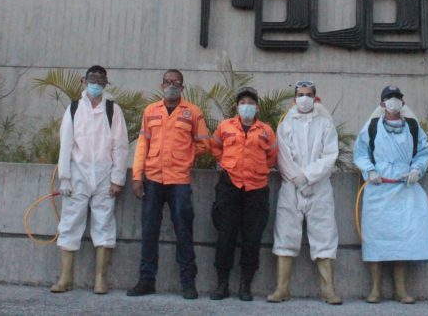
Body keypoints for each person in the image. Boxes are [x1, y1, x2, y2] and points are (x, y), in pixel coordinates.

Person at [127, 69, 211, 300]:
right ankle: (146, 281)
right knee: (149, 232)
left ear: (182, 87)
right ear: (162, 85)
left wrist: (186, 157)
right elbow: (142, 145)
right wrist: (137, 176)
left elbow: (204, 144)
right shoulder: (150, 111)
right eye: (167, 81)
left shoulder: (193, 112)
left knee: (184, 232)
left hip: (179, 181)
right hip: (153, 179)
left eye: (176, 82)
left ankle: (188, 283)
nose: (171, 85)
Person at [352, 85, 428, 304]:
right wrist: (370, 170)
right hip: (378, 189)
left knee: (403, 239)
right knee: (375, 239)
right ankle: (375, 290)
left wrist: (416, 170)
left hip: (405, 188)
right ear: (382, 104)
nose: (393, 102)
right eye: (389, 98)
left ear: (403, 103)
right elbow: (360, 153)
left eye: (397, 98)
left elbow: (424, 152)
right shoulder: (371, 127)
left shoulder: (413, 127)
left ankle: (401, 290)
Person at [50, 65, 128, 294]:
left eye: (100, 81)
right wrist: (64, 178)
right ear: (83, 81)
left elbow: (120, 146)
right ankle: (65, 278)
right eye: (92, 80)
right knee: (70, 222)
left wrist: (117, 179)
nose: (96, 85)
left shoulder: (113, 110)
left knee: (104, 223)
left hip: (104, 175)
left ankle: (100, 279)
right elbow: (66, 145)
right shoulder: (74, 108)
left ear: (106, 84)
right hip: (78, 174)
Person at [267, 80, 342, 304]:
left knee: (324, 234)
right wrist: (298, 179)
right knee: (285, 233)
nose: (304, 98)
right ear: (294, 98)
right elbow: (282, 155)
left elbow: (330, 155)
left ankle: (328, 290)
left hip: (319, 187)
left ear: (315, 98)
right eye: (300, 94)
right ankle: (282, 288)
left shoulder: (325, 123)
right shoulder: (286, 124)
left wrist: (309, 177)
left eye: (308, 94)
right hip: (291, 186)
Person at [209, 87, 278, 301]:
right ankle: (222, 284)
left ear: (257, 107)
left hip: (256, 190)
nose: (246, 106)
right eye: (242, 102)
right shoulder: (225, 126)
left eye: (251, 102)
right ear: (237, 107)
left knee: (252, 239)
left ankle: (245, 285)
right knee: (225, 236)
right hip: (230, 187)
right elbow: (215, 147)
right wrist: (226, 163)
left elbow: (272, 156)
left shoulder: (266, 130)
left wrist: (258, 169)